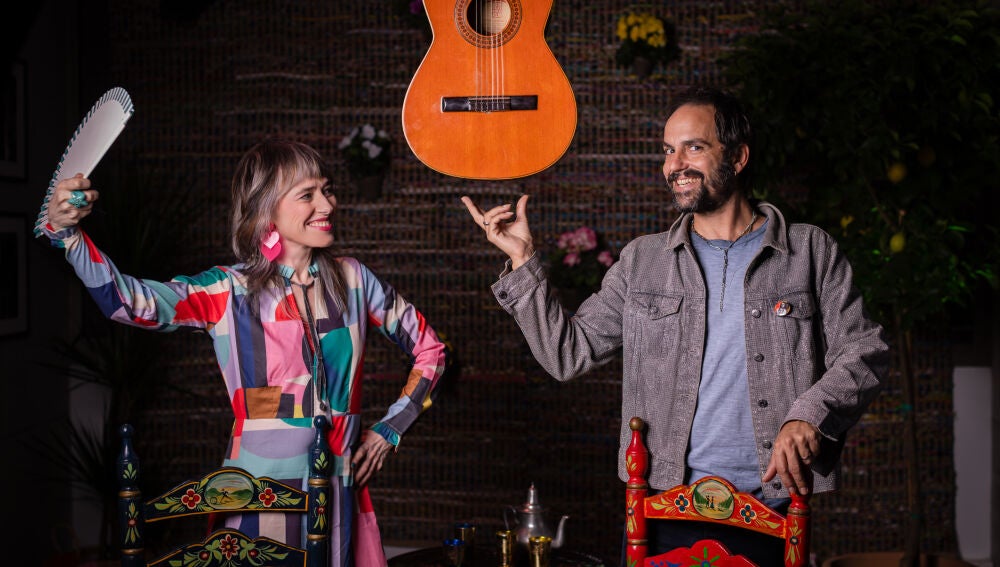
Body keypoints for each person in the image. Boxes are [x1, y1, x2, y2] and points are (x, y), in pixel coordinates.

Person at [461, 86, 888, 565]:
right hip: (662, 503)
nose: (674, 164)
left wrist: (808, 412)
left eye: (694, 147)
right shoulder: (643, 260)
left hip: (773, 501)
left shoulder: (810, 252)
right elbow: (568, 354)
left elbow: (865, 349)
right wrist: (522, 261)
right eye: (668, 150)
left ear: (739, 157)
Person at [40, 138, 448, 567]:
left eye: (326, 189)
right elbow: (128, 302)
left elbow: (432, 353)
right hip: (257, 493)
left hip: (339, 490)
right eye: (307, 194)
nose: (327, 203)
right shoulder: (228, 290)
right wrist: (68, 236)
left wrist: (390, 430)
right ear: (266, 209)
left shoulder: (355, 281)